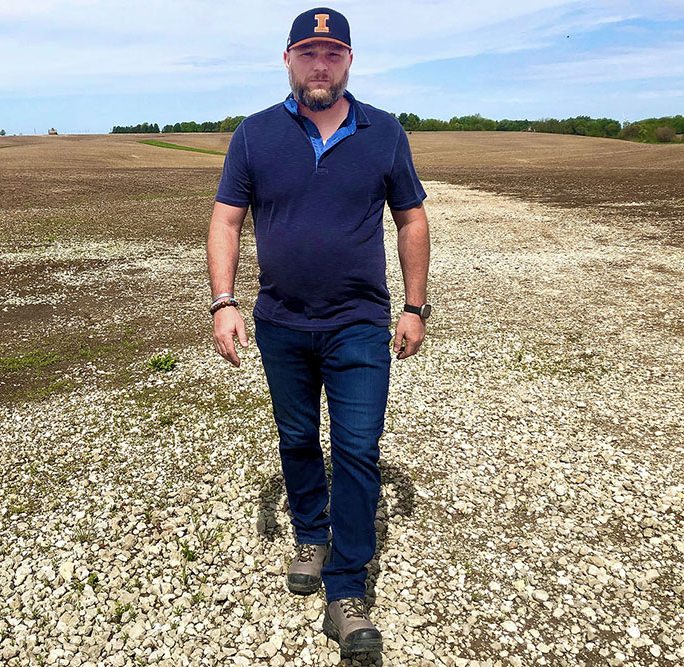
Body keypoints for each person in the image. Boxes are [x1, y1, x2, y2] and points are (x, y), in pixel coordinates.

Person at [205, 6, 431, 659]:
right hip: (279, 322)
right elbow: (226, 221)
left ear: (349, 62)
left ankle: (347, 590)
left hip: (360, 323)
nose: (320, 64)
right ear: (288, 60)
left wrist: (414, 307)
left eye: (332, 54)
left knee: (358, 451)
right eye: (308, 52)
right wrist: (224, 302)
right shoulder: (253, 135)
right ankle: (310, 530)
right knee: (299, 437)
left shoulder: (384, 133)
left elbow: (411, 220)